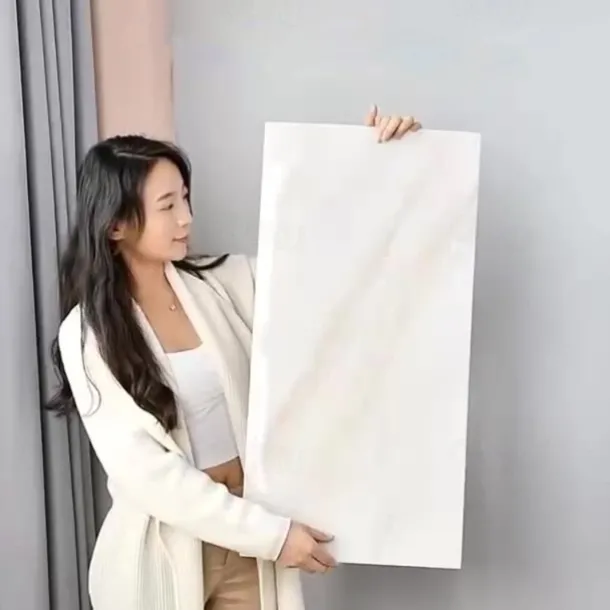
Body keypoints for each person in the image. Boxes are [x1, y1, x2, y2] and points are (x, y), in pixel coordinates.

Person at [47, 106, 422, 610]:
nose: (186, 217)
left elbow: (330, 267)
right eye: (167, 205)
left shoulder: (223, 283)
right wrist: (273, 536)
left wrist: (377, 163)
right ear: (115, 225)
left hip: (248, 549)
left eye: (185, 198)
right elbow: (149, 475)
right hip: (163, 559)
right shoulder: (88, 334)